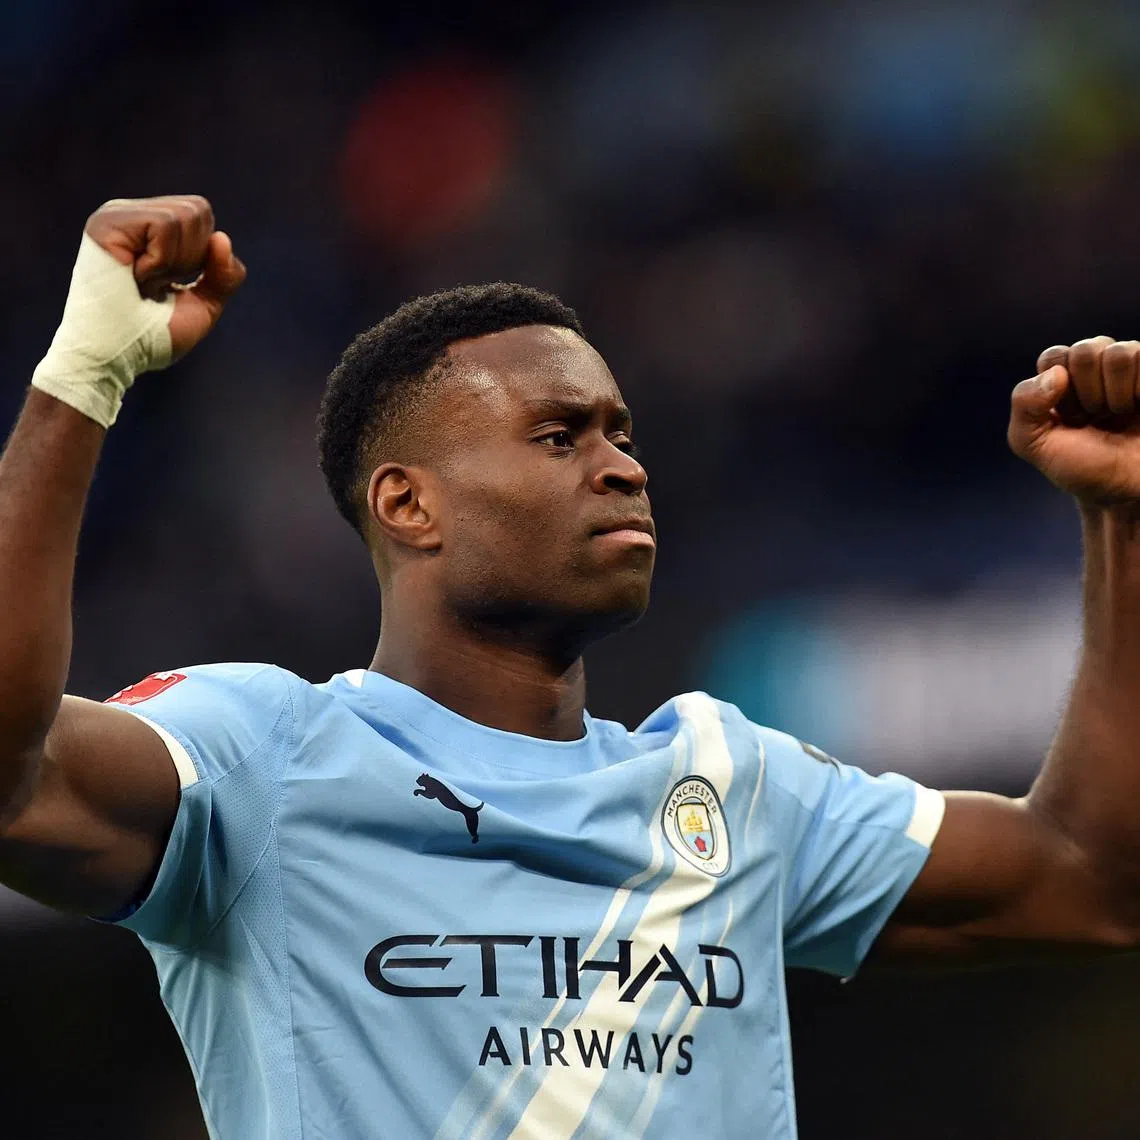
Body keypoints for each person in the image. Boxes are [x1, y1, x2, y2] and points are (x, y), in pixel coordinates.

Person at [2, 195, 1140, 1140]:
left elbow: (1090, 876)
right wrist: (81, 380)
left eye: (623, 434)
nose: (623, 469)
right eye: (562, 437)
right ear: (409, 503)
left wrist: (1121, 519)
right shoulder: (262, 756)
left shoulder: (732, 785)